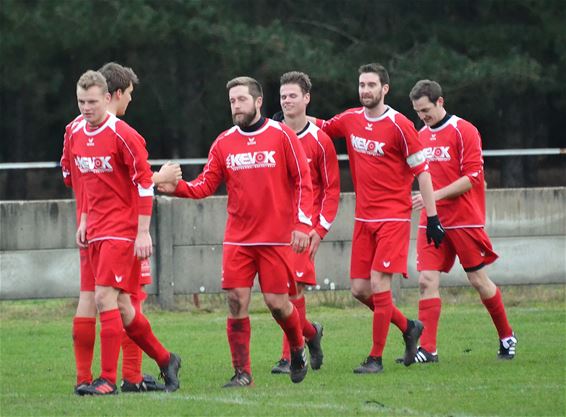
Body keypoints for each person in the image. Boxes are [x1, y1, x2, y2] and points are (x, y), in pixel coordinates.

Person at [158, 76, 313, 387]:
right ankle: (243, 373)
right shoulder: (224, 142)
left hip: (275, 238)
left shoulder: (282, 136)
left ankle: (297, 348)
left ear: (257, 102)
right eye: (232, 101)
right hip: (238, 239)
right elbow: (204, 186)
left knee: (277, 304)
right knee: (235, 300)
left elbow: (302, 182)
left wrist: (302, 224)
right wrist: (174, 188)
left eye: (242, 100)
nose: (236, 106)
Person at [314, 63, 445, 374]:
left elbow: (422, 173)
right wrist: (288, 120)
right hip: (364, 219)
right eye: (361, 84)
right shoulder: (349, 119)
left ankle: (375, 358)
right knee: (360, 290)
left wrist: (433, 217)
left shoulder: (400, 125)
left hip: (393, 218)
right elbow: (319, 126)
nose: (365, 90)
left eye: (371, 85)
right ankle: (409, 327)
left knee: (378, 283)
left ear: (385, 89)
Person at [61, 63, 181, 394]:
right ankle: (162, 359)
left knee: (105, 298)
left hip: (121, 230)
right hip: (93, 230)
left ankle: (109, 380)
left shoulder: (125, 135)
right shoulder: (74, 132)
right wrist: (84, 217)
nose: (86, 108)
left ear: (106, 97)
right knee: (119, 304)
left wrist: (143, 232)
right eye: (81, 102)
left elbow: (142, 184)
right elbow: (77, 178)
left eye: (92, 102)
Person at [407, 79, 516, 363]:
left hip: (464, 220)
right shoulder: (421, 134)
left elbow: (471, 179)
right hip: (432, 220)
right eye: (418, 112)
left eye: (426, 110)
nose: (423, 116)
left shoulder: (464, 130)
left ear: (440, 102)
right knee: (426, 279)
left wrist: (433, 195)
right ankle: (428, 349)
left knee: (478, 280)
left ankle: (506, 336)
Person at [269, 71, 340, 374]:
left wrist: (319, 229)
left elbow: (332, 189)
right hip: (272, 226)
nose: (286, 101)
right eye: (283, 96)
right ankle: (311, 333)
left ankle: (290, 356)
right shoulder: (271, 134)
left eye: (293, 95)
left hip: (303, 226)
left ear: (307, 98)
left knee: (291, 290)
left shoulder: (320, 140)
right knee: (278, 295)